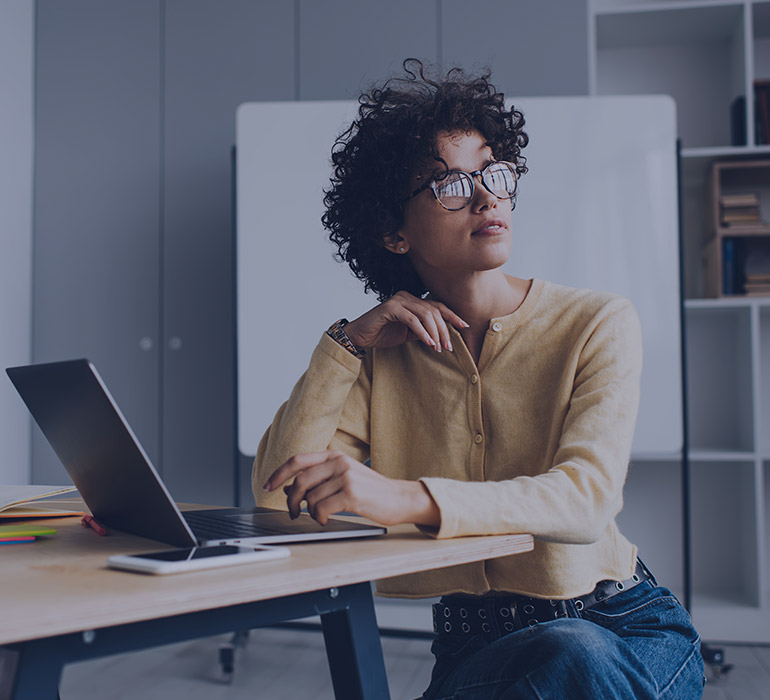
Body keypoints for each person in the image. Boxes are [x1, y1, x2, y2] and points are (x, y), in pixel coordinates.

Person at [253, 59, 704, 699]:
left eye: (493, 172)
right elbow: (276, 501)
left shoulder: (596, 322)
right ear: (393, 231)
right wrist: (346, 343)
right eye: (451, 184)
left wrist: (407, 497)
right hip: (475, 647)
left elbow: (585, 499)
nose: (488, 195)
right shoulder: (378, 355)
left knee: (571, 654)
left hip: (616, 628)